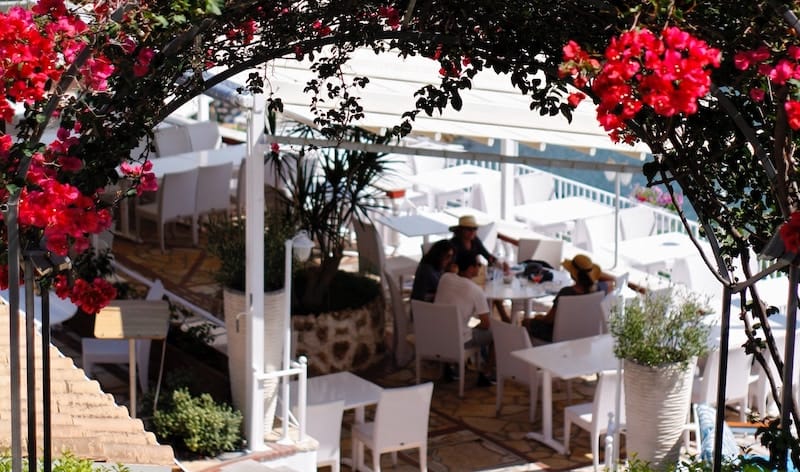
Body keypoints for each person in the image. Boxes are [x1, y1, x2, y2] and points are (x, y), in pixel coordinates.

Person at [435, 254, 495, 386]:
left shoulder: (445, 278)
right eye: (478, 265)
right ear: (471, 268)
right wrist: (472, 326)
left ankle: (449, 367)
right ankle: (487, 373)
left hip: (436, 335)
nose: (480, 267)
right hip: (458, 340)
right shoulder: (475, 290)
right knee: (496, 334)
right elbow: (485, 324)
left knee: (455, 324)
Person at [524, 254, 609, 342]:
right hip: (585, 334)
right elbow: (612, 280)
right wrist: (593, 276)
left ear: (573, 274)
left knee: (526, 322)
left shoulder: (566, 292)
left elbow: (549, 319)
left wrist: (538, 317)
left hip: (557, 335)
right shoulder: (599, 289)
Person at [449, 214, 511, 321]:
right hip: (460, 279)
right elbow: (450, 267)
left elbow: (487, 256)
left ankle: (495, 318)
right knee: (489, 294)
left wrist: (500, 264)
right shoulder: (453, 245)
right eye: (469, 229)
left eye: (475, 229)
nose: (473, 232)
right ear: (461, 230)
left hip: (474, 276)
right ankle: (495, 319)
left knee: (493, 291)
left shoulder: (474, 241)